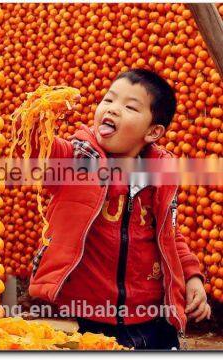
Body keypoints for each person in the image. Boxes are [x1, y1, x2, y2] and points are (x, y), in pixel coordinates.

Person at [24, 69, 210, 349]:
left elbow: (170, 236)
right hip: (94, 319)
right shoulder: (76, 160)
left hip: (154, 317)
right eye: (109, 100)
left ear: (153, 131)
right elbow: (36, 150)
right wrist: (37, 114)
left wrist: (192, 277)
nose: (113, 109)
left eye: (130, 106)